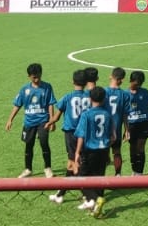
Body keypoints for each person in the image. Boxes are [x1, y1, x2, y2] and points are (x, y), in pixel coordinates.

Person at [49, 68, 96, 205]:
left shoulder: (68, 97)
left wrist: (48, 123)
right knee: (76, 162)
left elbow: (56, 118)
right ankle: (61, 193)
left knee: (73, 164)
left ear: (72, 81)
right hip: (86, 134)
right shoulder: (90, 96)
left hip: (71, 134)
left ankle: (88, 195)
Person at [4, 62, 57, 178]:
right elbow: (17, 105)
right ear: (29, 77)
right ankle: (28, 169)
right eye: (34, 77)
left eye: (38, 76)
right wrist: (10, 119)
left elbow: (50, 104)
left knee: (44, 143)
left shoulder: (47, 87)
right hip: (29, 122)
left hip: (44, 120)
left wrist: (52, 120)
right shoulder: (24, 89)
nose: (37, 79)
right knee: (29, 144)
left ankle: (47, 168)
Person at [72, 85, 118, 217]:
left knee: (82, 179)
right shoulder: (107, 114)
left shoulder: (86, 115)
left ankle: (95, 200)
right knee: (99, 178)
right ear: (104, 99)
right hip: (103, 150)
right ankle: (97, 209)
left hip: (89, 151)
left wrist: (77, 152)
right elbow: (113, 136)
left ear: (89, 98)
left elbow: (81, 135)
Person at [124, 70, 148, 177]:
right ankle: (134, 170)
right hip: (131, 124)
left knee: (140, 147)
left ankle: (139, 172)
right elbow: (123, 113)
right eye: (136, 83)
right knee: (133, 147)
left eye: (140, 84)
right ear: (131, 81)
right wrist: (126, 129)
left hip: (144, 123)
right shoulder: (125, 94)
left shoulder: (145, 92)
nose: (138, 86)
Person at [104, 67, 129, 175]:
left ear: (111, 76)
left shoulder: (103, 92)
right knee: (117, 152)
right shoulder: (124, 95)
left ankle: (99, 178)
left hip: (103, 128)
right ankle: (118, 174)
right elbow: (125, 114)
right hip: (117, 128)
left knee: (102, 153)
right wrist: (127, 129)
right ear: (122, 80)